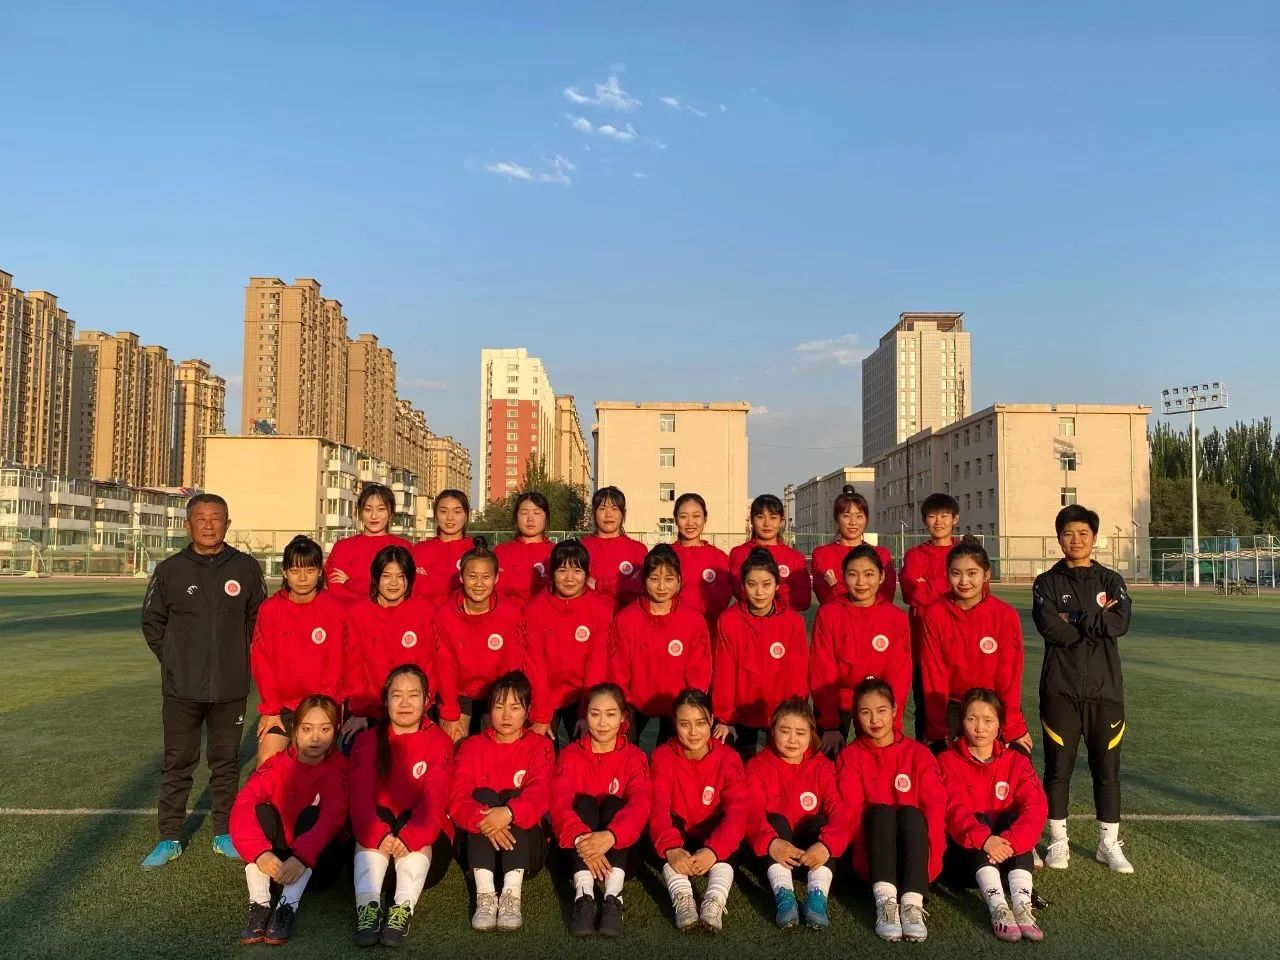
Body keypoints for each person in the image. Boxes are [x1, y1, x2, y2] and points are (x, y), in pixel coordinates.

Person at [140, 493, 267, 868]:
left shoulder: (246, 567)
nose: (209, 525)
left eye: (216, 518)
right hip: (182, 688)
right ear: (188, 524)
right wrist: (176, 661)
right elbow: (152, 623)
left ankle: (224, 833)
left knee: (225, 763)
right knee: (178, 763)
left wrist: (236, 660)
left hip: (230, 688)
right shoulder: (170, 570)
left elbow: (259, 622)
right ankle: (169, 838)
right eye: (201, 518)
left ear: (228, 524)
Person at [1032, 504, 1134, 874]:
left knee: (1107, 771)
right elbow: (1051, 629)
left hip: (1106, 693)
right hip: (1060, 690)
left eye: (1083, 534)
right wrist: (1095, 620)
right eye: (1068, 534)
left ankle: (1108, 845)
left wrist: (1075, 617)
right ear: (1059, 538)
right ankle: (1058, 842)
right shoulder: (1046, 583)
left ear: (1094, 537)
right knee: (1058, 769)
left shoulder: (1111, 580)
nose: (1075, 540)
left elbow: (1119, 624)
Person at [349, 665, 455, 947]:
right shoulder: (367, 741)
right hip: (376, 850)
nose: (405, 703)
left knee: (412, 816)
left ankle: (401, 910)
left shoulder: (440, 742)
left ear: (427, 700)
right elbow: (359, 801)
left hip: (423, 852)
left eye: (413, 695)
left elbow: (435, 802)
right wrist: (379, 836)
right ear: (385, 700)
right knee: (380, 814)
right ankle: (368, 909)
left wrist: (410, 837)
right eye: (397, 695)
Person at [230, 694, 348, 946]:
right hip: (279, 865)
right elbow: (243, 804)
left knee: (311, 815)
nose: (315, 738)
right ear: (295, 729)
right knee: (260, 810)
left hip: (318, 866)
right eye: (307, 729)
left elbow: (333, 817)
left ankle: (287, 907)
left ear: (335, 730)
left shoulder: (340, 768)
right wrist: (260, 852)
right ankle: (260, 904)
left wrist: (302, 857)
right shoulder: (278, 764)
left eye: (325, 729)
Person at [835, 679, 945, 943]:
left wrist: (929, 867)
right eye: (865, 712)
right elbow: (850, 816)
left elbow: (935, 812)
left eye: (881, 710)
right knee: (881, 813)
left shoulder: (919, 754)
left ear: (895, 710)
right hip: (873, 858)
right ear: (856, 715)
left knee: (911, 813)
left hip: (914, 860)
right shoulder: (850, 757)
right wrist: (864, 863)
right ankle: (885, 903)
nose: (875, 720)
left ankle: (912, 903)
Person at [937, 688, 1048, 943]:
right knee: (979, 820)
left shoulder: (1016, 761)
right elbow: (952, 809)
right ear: (962, 721)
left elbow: (1036, 807)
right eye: (972, 719)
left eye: (988, 720)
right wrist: (985, 840)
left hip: (1005, 856)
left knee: (1013, 820)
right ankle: (999, 908)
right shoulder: (946, 761)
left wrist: (1010, 843)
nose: (980, 728)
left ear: (999, 725)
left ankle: (1022, 907)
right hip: (964, 860)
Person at [449, 671, 554, 932]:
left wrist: (508, 813)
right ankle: (485, 894)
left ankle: (511, 896)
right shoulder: (471, 746)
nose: (506, 715)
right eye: (499, 707)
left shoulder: (540, 746)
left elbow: (541, 794)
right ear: (489, 710)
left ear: (527, 711)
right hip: (478, 846)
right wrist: (486, 819)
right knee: (483, 795)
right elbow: (457, 797)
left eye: (515, 708)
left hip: (526, 852)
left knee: (516, 798)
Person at [550, 683, 651, 938]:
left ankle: (613, 897)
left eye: (610, 714)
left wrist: (611, 836)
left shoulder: (635, 757)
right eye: (595, 714)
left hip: (621, 853)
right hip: (575, 852)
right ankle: (584, 896)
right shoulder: (570, 755)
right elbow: (559, 803)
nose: (602, 723)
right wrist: (583, 842)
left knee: (614, 804)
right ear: (585, 716)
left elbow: (640, 805)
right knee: (583, 803)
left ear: (623, 718)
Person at [743, 697, 848, 931]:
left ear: (811, 734)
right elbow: (751, 814)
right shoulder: (757, 766)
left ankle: (817, 896)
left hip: (811, 857)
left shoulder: (822, 766)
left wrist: (827, 846)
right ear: (772, 731)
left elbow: (839, 812)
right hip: (772, 855)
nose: (792, 739)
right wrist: (771, 843)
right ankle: (785, 895)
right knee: (776, 820)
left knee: (820, 822)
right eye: (785, 731)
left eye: (800, 733)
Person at [649, 689, 747, 933]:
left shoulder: (729, 757)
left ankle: (715, 900)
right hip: (679, 832)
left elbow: (737, 813)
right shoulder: (662, 756)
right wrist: (671, 848)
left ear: (712, 720)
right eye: (684, 724)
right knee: (661, 831)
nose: (693, 732)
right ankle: (683, 898)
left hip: (711, 832)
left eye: (700, 723)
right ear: (674, 724)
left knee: (729, 834)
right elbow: (658, 808)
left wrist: (714, 850)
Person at [920, 538, 1030, 754]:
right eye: (956, 573)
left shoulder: (1004, 615)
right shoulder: (935, 614)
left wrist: (1012, 726)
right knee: (938, 762)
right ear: (947, 574)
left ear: (986, 574)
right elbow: (934, 674)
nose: (964, 581)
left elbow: (1009, 674)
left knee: (1018, 760)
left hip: (992, 705)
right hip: (953, 706)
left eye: (972, 573)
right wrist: (936, 728)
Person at [250, 535, 347, 766]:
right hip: (282, 707)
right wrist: (271, 709)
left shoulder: (334, 609)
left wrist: (326, 707)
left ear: (320, 571)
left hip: (320, 706)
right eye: (295, 570)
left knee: (318, 765)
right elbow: (262, 662)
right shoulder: (270, 609)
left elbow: (337, 663)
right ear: (284, 572)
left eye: (310, 570)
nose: (302, 578)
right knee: (267, 761)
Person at [608, 545, 712, 748]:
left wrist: (692, 705)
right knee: (624, 751)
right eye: (654, 579)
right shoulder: (626, 619)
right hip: (634, 702)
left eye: (669, 579)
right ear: (644, 580)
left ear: (679, 580)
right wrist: (622, 705)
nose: (661, 586)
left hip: (678, 702)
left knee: (671, 755)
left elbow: (699, 669)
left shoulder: (693, 620)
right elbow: (618, 668)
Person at [811, 544, 912, 752]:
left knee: (876, 762)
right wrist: (829, 724)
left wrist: (892, 721)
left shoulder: (895, 617)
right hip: (838, 702)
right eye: (852, 574)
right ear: (843, 576)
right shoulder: (829, 613)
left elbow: (899, 674)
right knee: (827, 762)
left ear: (881, 577)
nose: (861, 582)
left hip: (877, 704)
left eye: (869, 574)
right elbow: (822, 670)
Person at [711, 547, 809, 761]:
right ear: (743, 586)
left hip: (780, 712)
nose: (759, 592)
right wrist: (725, 717)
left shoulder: (792, 621)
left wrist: (794, 712)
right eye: (752, 584)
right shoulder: (729, 620)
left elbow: (797, 672)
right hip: (740, 713)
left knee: (778, 768)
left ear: (777, 585)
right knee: (740, 767)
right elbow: (724, 671)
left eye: (766, 584)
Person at [341, 545, 438, 747]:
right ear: (376, 578)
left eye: (400, 576)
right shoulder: (358, 612)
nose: (393, 583)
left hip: (412, 709)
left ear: (409, 579)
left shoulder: (424, 611)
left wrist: (423, 706)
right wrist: (358, 711)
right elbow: (353, 666)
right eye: (386, 576)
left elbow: (429, 664)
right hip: (370, 710)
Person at [523, 538, 613, 746]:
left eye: (577, 571)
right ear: (552, 573)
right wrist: (541, 714)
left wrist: (587, 711)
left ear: (587, 575)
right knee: (542, 752)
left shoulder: (600, 609)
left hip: (582, 696)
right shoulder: (534, 610)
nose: (569, 578)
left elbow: (597, 665)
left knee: (583, 753)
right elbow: (535, 666)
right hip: (543, 697)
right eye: (562, 570)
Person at [433, 537, 525, 741]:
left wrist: (505, 705)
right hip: (459, 692)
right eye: (472, 576)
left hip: (496, 692)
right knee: (454, 740)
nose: (479, 584)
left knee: (498, 743)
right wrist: (450, 709)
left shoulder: (509, 614)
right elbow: (444, 665)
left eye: (486, 577)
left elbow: (514, 664)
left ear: (496, 578)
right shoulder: (445, 614)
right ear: (461, 577)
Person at [900, 492, 960, 739]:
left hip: (959, 646)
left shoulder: (965, 553)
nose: (939, 522)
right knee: (925, 715)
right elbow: (912, 594)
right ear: (924, 520)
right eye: (933, 516)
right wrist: (949, 584)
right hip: (922, 649)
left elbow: (976, 593)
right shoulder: (915, 555)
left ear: (955, 519)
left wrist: (928, 583)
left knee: (962, 713)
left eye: (945, 516)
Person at [324, 484, 412, 607]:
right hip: (350, 615)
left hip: (392, 616)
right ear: (360, 513)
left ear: (391, 513)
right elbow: (337, 591)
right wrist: (377, 592)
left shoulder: (403, 547)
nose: (374, 516)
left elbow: (405, 589)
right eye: (368, 509)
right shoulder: (343, 547)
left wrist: (352, 583)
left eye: (381, 509)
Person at [810, 485, 897, 606]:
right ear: (836, 519)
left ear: (866, 519)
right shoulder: (823, 554)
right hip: (836, 617)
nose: (853, 522)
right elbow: (825, 597)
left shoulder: (881, 554)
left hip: (873, 617)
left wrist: (835, 586)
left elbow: (886, 595)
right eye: (846, 516)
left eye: (859, 516)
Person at [728, 494, 812, 613]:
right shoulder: (739, 553)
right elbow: (740, 591)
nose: (767, 524)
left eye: (773, 517)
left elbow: (802, 600)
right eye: (760, 517)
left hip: (783, 621)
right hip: (747, 620)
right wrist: (782, 589)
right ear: (751, 520)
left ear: (781, 521)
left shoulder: (795, 557)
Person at [670, 493, 733, 630]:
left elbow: (725, 598)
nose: (690, 522)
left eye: (696, 516)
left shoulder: (719, 558)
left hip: (709, 631)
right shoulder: (666, 555)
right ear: (675, 520)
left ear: (705, 518)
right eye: (683, 517)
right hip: (672, 629)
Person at [581, 486, 648, 609]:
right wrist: (623, 585)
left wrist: (598, 585)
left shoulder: (638, 550)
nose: (608, 515)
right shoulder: (581, 548)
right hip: (589, 616)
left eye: (614, 508)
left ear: (623, 514)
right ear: (594, 513)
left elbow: (638, 586)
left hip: (627, 617)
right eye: (602, 509)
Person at [409, 489, 474, 603]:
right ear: (435, 515)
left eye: (457, 512)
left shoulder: (476, 552)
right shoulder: (417, 551)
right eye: (443, 511)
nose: (450, 518)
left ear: (466, 515)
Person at [493, 491, 554, 610]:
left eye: (536, 513)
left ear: (546, 517)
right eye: (524, 513)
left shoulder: (556, 553)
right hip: (507, 617)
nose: (530, 519)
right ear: (516, 517)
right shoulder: (501, 552)